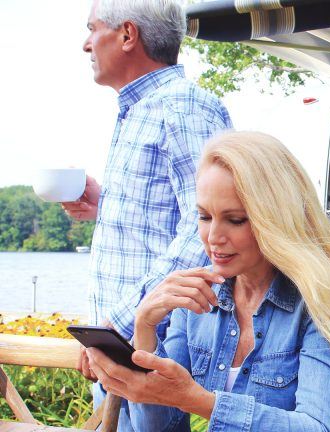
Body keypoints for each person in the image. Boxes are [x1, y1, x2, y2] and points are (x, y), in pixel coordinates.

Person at [86, 131, 330, 431]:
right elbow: (160, 429)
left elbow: (319, 427)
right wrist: (145, 328)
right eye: (204, 217)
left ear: (276, 218)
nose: (213, 237)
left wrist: (198, 400)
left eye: (235, 219)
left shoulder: (318, 301)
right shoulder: (196, 298)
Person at [62, 0, 232, 375]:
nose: (86, 44)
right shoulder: (144, 109)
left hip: (154, 349)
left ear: (127, 35)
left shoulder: (181, 107)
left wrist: (119, 326)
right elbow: (179, 216)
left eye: (92, 29)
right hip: (122, 346)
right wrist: (105, 205)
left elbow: (207, 233)